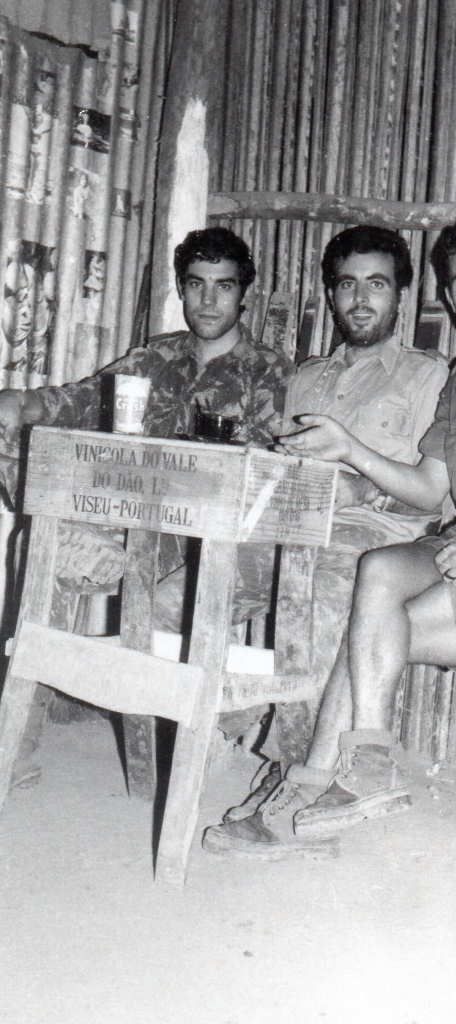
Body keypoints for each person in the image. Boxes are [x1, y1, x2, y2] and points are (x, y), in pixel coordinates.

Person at [205, 213, 456, 858]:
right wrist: (351, 447)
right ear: (449, 298)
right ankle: (365, 763)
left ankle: (309, 784)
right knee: (377, 575)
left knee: (370, 631)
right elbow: (429, 489)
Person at [2, 226, 293, 783]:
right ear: (182, 289)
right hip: (131, 528)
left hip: (202, 543)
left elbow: (262, 478)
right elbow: (81, 399)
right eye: (196, 284)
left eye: (223, 286)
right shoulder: (157, 356)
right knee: (40, 547)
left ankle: (206, 727)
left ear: (243, 294)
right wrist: (23, 401)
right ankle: (16, 743)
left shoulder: (268, 371)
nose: (208, 300)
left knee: (159, 601)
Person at [202, 224, 449, 858]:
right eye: (347, 285)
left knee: (316, 606)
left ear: (401, 295)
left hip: (373, 542)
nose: (361, 299)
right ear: (331, 295)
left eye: (377, 284)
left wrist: (364, 491)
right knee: (186, 595)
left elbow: (442, 496)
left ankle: (297, 788)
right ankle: (225, 726)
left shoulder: (430, 378)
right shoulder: (306, 378)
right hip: (289, 531)